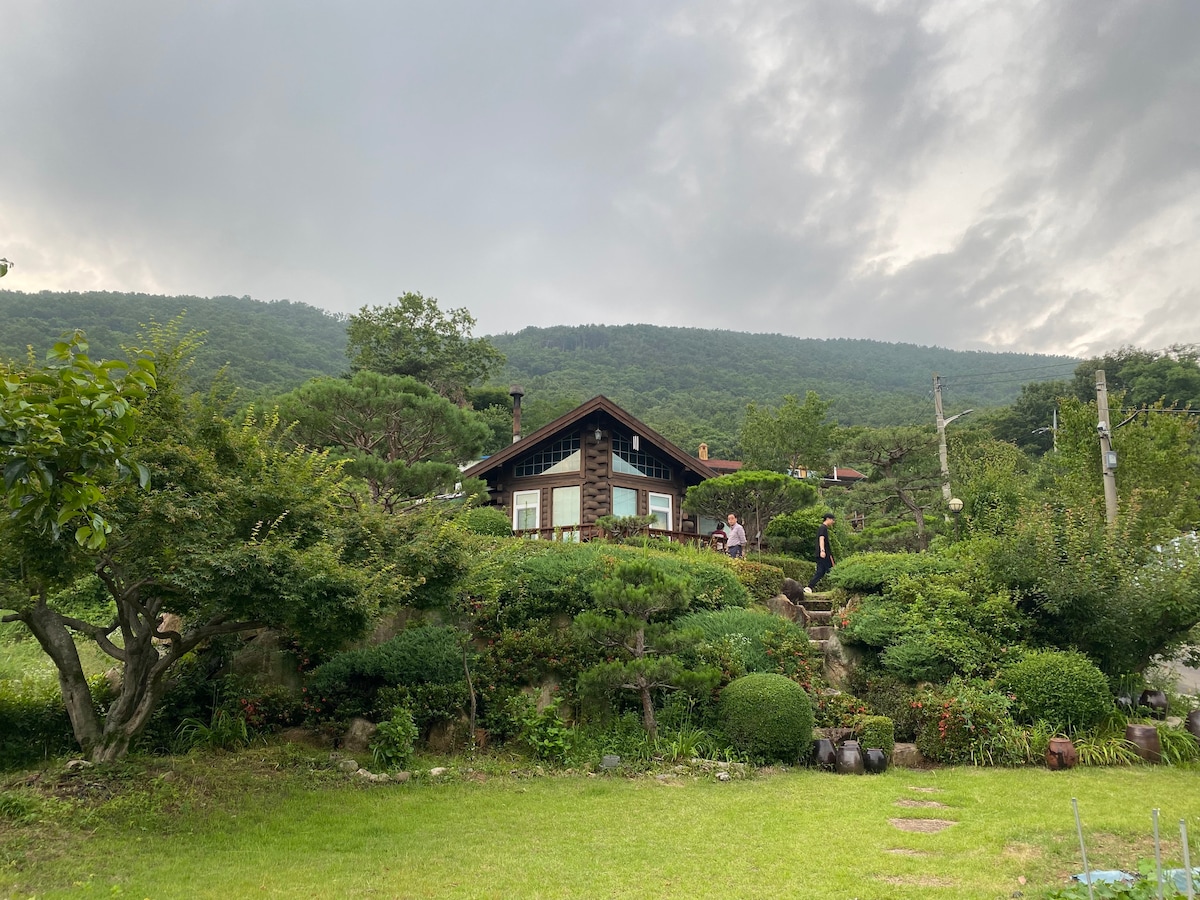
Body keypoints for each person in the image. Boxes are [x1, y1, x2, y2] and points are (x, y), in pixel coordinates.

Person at [805, 513, 836, 593]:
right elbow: (821, 539)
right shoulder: (823, 528)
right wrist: (823, 551)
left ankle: (809, 587)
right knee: (833, 570)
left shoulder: (822, 528)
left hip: (820, 554)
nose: (833, 522)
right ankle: (838, 588)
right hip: (824, 554)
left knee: (820, 572)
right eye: (833, 520)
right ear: (828, 519)